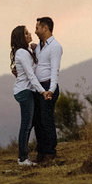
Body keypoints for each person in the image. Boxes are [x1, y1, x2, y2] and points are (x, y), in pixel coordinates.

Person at [10, 24, 47, 167]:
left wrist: (35, 49)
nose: (29, 34)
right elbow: (31, 76)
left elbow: (33, 69)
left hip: (27, 90)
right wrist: (42, 91)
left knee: (29, 124)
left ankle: (23, 157)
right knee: (26, 125)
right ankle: (22, 159)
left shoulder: (25, 51)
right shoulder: (22, 53)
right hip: (24, 92)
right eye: (26, 33)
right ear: (20, 37)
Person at [32, 16, 63, 164]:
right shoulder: (39, 46)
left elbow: (54, 70)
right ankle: (41, 152)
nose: (35, 30)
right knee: (38, 120)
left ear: (45, 28)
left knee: (46, 120)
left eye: (37, 27)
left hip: (48, 87)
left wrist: (50, 90)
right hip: (38, 88)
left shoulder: (55, 47)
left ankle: (50, 152)